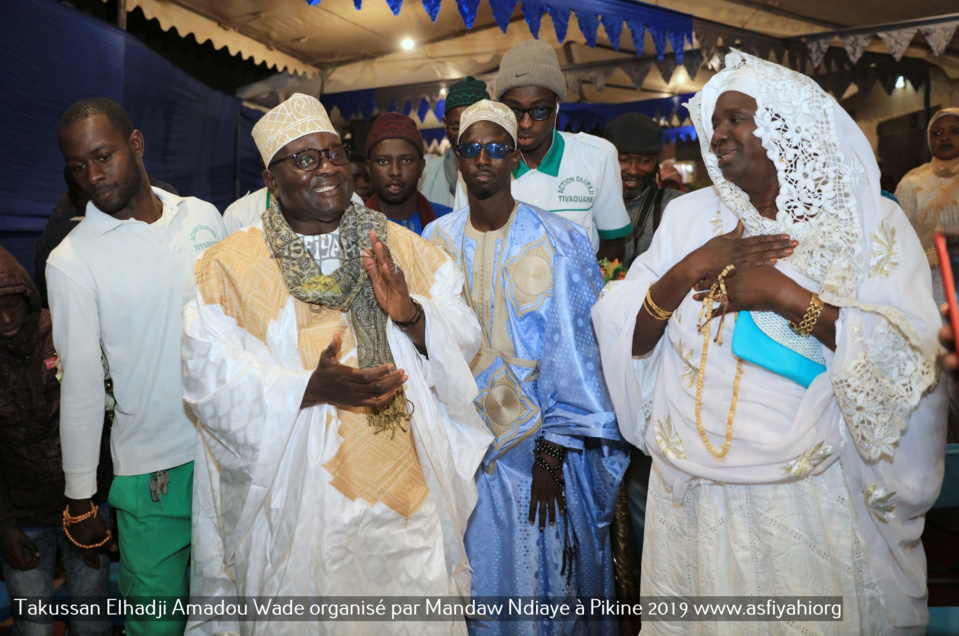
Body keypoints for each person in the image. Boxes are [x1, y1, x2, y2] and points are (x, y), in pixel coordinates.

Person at [592, 51, 946, 635]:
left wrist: (785, 296)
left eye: (737, 118)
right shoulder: (688, 218)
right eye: (715, 122)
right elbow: (624, 334)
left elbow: (909, 353)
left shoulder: (863, 224)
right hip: (690, 490)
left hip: (805, 490)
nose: (719, 134)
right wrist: (687, 270)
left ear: (787, 124)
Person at [183, 93, 492, 635]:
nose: (326, 167)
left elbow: (465, 337)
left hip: (405, 501)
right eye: (305, 158)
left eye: (334, 153)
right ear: (270, 179)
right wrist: (308, 388)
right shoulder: (226, 267)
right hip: (299, 506)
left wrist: (412, 315)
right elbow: (208, 377)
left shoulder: (402, 247)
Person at [423, 100, 628, 636]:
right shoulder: (434, 241)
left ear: (515, 157)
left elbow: (580, 357)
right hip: (460, 443)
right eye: (470, 148)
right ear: (457, 158)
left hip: (536, 446)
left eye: (496, 147)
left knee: (539, 576)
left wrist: (552, 453)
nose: (482, 158)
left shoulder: (560, 239)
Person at [46, 98, 225, 636]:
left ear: (137, 144)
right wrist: (80, 497)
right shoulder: (71, 260)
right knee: (155, 626)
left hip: (228, 456)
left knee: (232, 618)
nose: (93, 175)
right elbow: (80, 385)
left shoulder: (203, 217)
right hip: (152, 474)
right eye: (78, 166)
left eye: (103, 156)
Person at [0, 247, 111, 636]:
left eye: (12, 305)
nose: (6, 319)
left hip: (84, 505)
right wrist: (4, 525)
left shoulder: (61, 329)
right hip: (21, 516)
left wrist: (97, 502)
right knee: (34, 627)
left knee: (92, 621)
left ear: (28, 298)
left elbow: (102, 412)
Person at [453, 41, 632, 262]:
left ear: (557, 106)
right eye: (514, 110)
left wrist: (582, 281)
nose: (526, 123)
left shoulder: (596, 156)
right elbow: (463, 246)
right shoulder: (479, 164)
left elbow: (614, 244)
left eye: (539, 110)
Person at [895, 107, 959, 306]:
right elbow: (897, 236)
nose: (945, 138)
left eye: (955, 131)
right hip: (931, 278)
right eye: (936, 133)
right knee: (937, 322)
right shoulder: (912, 183)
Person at [604, 112, 683, 267]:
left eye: (644, 161)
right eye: (623, 160)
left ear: (656, 162)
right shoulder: (587, 203)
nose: (633, 170)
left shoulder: (676, 205)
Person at [365, 112, 452, 234]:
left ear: (421, 167)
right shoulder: (351, 229)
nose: (395, 171)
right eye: (383, 161)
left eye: (406, 160)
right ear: (369, 168)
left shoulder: (449, 222)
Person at [420, 76, 490, 208]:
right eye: (456, 127)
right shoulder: (425, 175)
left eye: (472, 126)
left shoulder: (505, 173)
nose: (464, 136)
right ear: (445, 123)